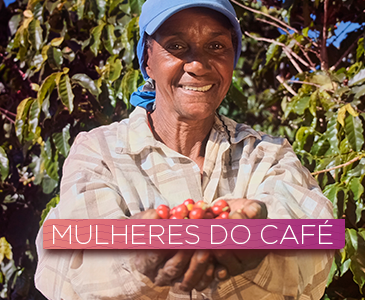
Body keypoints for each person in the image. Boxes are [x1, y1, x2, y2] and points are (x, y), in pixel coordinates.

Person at [34, 0, 334, 299]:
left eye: (216, 46)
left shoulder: (266, 154)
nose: (198, 65)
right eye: (176, 46)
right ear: (148, 61)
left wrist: (264, 239)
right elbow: (73, 267)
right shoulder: (101, 151)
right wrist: (132, 260)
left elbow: (320, 244)